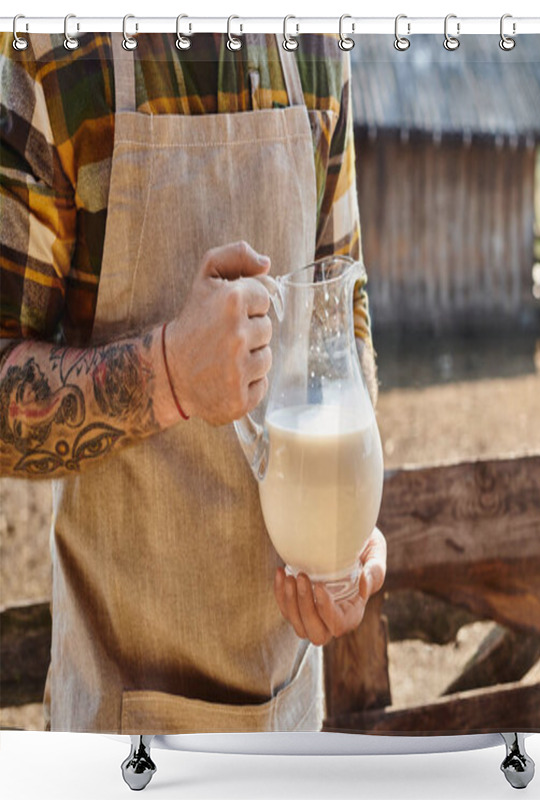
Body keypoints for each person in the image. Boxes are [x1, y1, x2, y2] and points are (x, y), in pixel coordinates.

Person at [0, 30, 385, 733]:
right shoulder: (53, 54)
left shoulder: (321, 45)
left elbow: (342, 314)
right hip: (121, 722)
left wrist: (350, 535)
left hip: (290, 711)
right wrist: (169, 373)